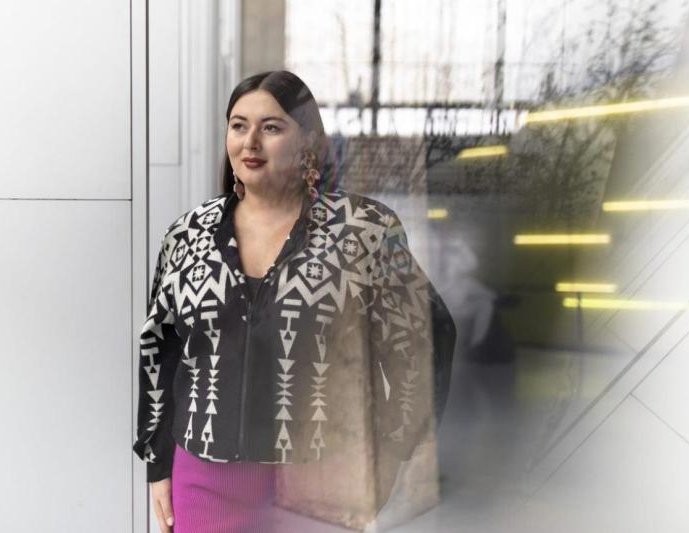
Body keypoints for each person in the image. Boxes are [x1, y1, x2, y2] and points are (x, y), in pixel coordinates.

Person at [132, 70, 457, 533]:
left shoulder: (361, 231)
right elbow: (159, 350)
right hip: (206, 478)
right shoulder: (189, 235)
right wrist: (157, 461)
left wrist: (392, 451)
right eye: (239, 125)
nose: (250, 143)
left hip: (325, 480)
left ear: (307, 139)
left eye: (271, 127)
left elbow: (426, 337)